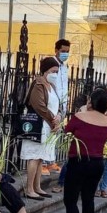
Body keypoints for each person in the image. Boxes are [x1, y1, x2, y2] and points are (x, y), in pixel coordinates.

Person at [54, 89, 107, 213]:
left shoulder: (80, 116)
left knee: (71, 199)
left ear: (90, 102)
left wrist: (84, 109)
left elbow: (66, 132)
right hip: (97, 162)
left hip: (79, 161)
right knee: (88, 199)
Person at [20, 57, 61, 200]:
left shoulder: (52, 86)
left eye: (57, 71)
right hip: (38, 125)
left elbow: (57, 105)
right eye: (52, 71)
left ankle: (37, 187)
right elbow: (39, 106)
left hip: (49, 126)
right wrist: (52, 120)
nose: (55, 74)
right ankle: (29, 188)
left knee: (40, 158)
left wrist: (59, 116)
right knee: (34, 156)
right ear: (45, 70)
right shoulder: (38, 84)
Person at [42, 39, 70, 176]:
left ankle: (50, 161)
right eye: (63, 51)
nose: (65, 54)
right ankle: (43, 163)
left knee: (54, 135)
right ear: (56, 50)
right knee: (45, 134)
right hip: (51, 104)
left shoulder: (64, 66)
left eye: (67, 52)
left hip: (61, 105)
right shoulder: (51, 64)